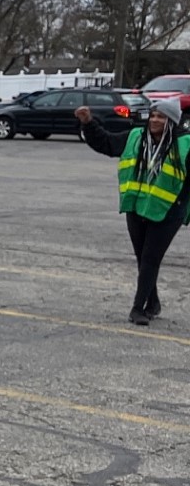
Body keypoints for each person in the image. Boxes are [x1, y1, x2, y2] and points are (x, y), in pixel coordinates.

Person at [75, 98, 189, 325]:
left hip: (167, 211)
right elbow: (106, 143)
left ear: (172, 121)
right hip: (137, 207)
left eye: (161, 116)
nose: (155, 120)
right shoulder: (136, 137)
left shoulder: (185, 144)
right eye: (153, 115)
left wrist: (182, 206)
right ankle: (153, 303)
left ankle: (138, 309)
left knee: (150, 258)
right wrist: (88, 123)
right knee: (143, 259)